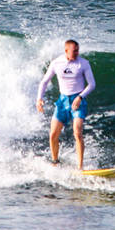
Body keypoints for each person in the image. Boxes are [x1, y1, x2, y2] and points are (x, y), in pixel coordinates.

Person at [35, 39, 96, 169]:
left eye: (78, 51)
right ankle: (55, 162)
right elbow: (44, 82)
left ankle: (80, 167)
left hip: (78, 100)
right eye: (74, 51)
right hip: (62, 101)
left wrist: (80, 97)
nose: (76, 53)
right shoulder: (57, 63)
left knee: (77, 133)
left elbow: (92, 84)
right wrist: (39, 99)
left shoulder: (83, 63)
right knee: (53, 134)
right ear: (66, 51)